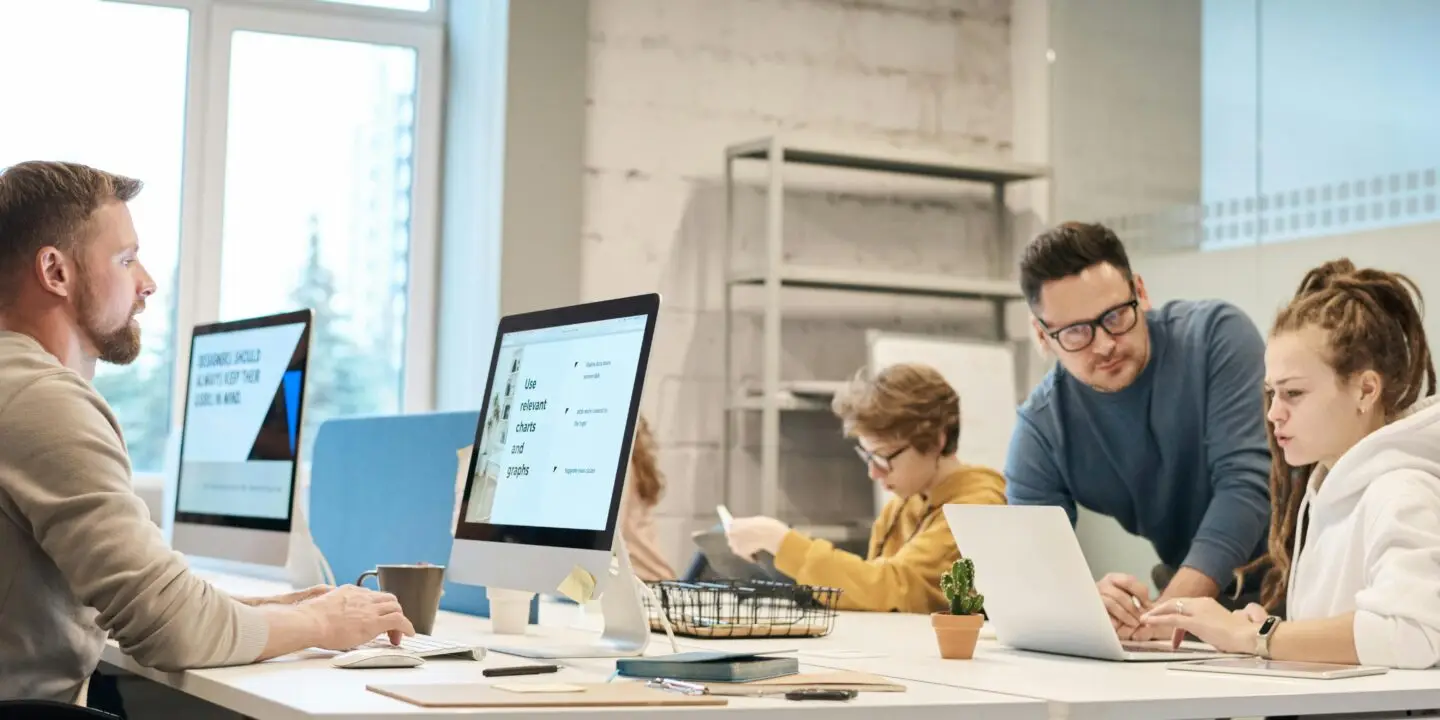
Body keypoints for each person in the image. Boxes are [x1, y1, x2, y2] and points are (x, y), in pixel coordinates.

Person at [0, 161, 414, 706]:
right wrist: (320, 623)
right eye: (126, 259)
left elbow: (150, 600)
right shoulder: (43, 400)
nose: (146, 283)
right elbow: (169, 628)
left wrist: (273, 612)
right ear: (55, 272)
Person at [1143, 259, 1440, 669]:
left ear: (1365, 390)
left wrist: (1256, 636)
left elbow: (1412, 633)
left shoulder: (1402, 490)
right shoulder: (1327, 492)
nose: (1273, 414)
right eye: (1271, 393)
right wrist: (1270, 629)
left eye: (1293, 393)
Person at [1004, 222, 1272, 641]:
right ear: (1042, 335)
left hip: (1299, 582)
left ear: (1141, 292)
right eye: (1075, 331)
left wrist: (1166, 614)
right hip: (1195, 601)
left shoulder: (1217, 337)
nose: (1104, 344)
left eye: (1115, 316)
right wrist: (1091, 605)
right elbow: (1033, 565)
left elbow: (1246, 485)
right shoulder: (1042, 428)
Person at [725, 363, 1007, 613]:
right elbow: (872, 588)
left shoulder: (977, 507)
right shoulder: (905, 501)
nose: (873, 473)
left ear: (936, 441)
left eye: (884, 458)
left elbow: (890, 586)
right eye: (867, 457)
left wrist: (781, 541)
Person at [620, 413, 677, 582]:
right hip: (647, 578)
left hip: (645, 580)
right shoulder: (631, 460)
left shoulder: (621, 464)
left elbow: (615, 533)